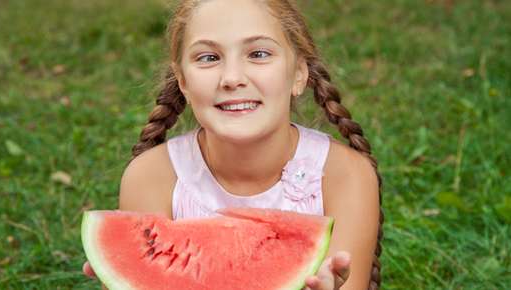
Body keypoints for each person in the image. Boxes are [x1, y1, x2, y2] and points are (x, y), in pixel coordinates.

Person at [83, 0, 384, 289]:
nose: (232, 78)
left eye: (259, 54)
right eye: (208, 58)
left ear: (298, 73)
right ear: (183, 81)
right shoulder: (151, 177)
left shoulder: (345, 176)